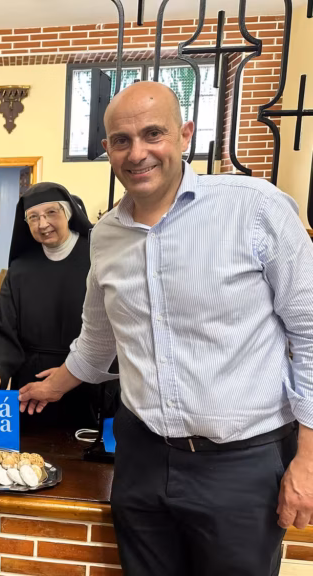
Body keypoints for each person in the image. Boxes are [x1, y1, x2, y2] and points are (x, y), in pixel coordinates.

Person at [18, 81, 313, 576]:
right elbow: (97, 339)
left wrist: (308, 460)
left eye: (153, 134)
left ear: (185, 135)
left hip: (241, 465)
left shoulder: (253, 208)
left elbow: (309, 333)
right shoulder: (107, 235)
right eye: (120, 140)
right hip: (142, 458)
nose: (137, 153)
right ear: (107, 149)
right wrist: (52, 385)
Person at [0, 182, 101, 430]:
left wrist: (71, 372)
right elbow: (5, 329)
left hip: (86, 381)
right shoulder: (20, 269)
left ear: (68, 213)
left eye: (51, 213)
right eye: (33, 217)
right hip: (30, 387)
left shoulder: (97, 258)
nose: (42, 224)